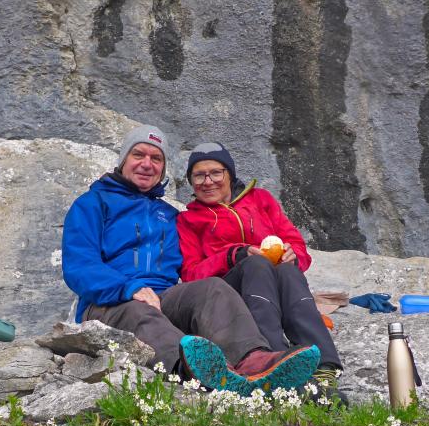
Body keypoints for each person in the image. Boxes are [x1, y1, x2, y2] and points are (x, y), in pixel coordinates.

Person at [61, 124, 320, 396]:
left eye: (156, 158)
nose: (147, 164)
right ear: (124, 159)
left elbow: (195, 264)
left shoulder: (169, 214)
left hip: (163, 296)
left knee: (212, 288)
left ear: (163, 169)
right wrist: (129, 289)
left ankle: (254, 361)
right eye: (139, 154)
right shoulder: (92, 203)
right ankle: (196, 372)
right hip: (109, 301)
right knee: (141, 312)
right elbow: (80, 266)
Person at [176, 141, 346, 401]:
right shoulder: (189, 220)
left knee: (288, 271)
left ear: (230, 174)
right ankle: (275, 358)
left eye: (215, 172)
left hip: (273, 282)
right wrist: (235, 255)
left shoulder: (260, 200)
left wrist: (293, 255)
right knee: (255, 263)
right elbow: (191, 274)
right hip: (229, 292)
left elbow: (297, 244)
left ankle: (324, 366)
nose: (207, 181)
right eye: (198, 175)